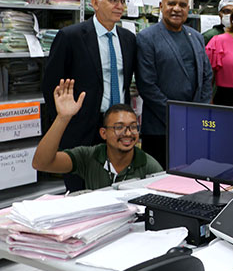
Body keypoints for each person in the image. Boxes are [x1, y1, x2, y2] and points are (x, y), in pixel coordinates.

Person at [42, 0, 137, 191]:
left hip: (118, 127)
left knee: (116, 188)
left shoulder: (128, 39)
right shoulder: (71, 36)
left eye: (122, 1)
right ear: (95, 3)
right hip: (82, 127)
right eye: (113, 0)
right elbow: (51, 84)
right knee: (80, 190)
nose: (119, 6)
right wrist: (63, 121)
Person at [32, 79, 161, 190]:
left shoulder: (149, 165)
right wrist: (62, 118)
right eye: (119, 127)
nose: (128, 133)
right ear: (103, 133)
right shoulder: (88, 156)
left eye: (133, 127)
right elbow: (41, 163)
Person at [136, 0, 213, 166]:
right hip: (160, 128)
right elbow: (147, 85)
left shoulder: (196, 37)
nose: (177, 9)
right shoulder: (147, 38)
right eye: (171, 4)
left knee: (191, 180)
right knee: (158, 182)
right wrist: (178, 117)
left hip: (193, 126)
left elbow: (206, 76)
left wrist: (197, 114)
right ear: (161, 6)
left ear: (188, 10)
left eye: (182, 5)